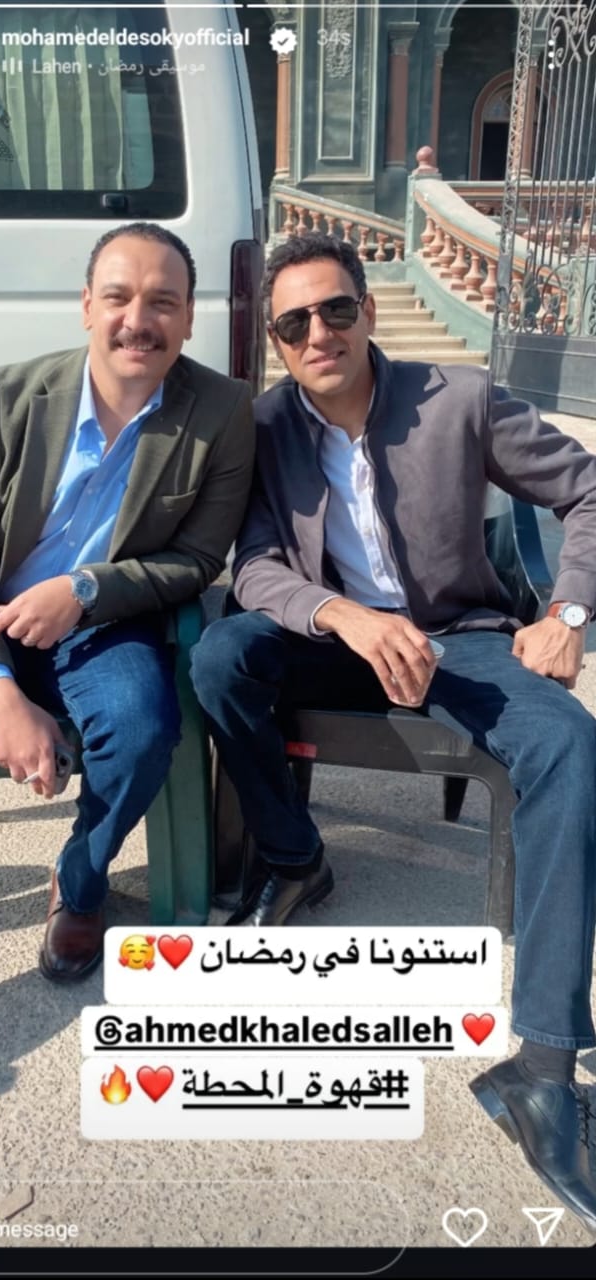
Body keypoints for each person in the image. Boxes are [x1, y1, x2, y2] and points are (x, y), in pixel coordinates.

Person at [190, 232, 596, 1230]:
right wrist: (343, 615)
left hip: (459, 641)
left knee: (568, 745)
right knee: (221, 658)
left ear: (367, 311)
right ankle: (296, 857)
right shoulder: (264, 426)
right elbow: (254, 566)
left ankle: (543, 1065)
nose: (317, 334)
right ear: (277, 342)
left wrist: (567, 613)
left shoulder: (459, 400)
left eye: (335, 310)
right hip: (335, 640)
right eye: (293, 323)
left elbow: (587, 487)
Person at [0, 221, 254, 982]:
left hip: (104, 624)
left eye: (163, 302)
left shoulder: (222, 412)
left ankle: (81, 882)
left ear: (189, 317)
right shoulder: (5, 395)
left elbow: (196, 560)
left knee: (143, 730)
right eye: (118, 297)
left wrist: (84, 590)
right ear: (87, 305)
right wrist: (0, 696)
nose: (138, 320)